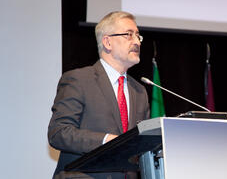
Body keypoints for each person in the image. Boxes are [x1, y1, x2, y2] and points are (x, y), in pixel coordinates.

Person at [48, 11, 150, 179]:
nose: (136, 42)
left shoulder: (139, 90)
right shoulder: (79, 80)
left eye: (138, 36)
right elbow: (59, 133)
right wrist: (105, 140)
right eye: (128, 35)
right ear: (107, 42)